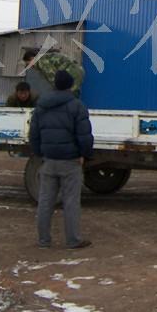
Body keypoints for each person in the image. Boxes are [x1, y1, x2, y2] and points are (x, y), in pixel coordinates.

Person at [29, 70, 93, 249]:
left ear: (54, 84)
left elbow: (33, 135)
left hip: (49, 160)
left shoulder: (41, 106)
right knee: (71, 202)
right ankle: (73, 240)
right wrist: (85, 154)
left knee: (45, 201)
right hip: (70, 161)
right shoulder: (76, 106)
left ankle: (43, 240)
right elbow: (84, 136)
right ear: (70, 85)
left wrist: (40, 153)